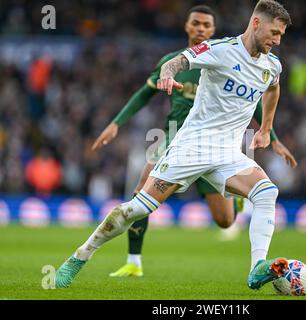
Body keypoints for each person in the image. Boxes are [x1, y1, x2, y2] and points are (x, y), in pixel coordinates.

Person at [55, 0, 292, 290]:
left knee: (267, 193)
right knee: (137, 210)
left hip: (228, 155)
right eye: (274, 32)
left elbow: (273, 87)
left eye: (281, 35)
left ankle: (257, 268)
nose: (278, 40)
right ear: (256, 23)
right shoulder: (221, 50)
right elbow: (177, 61)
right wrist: (167, 74)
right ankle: (81, 255)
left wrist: (266, 129)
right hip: (190, 149)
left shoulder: (271, 65)